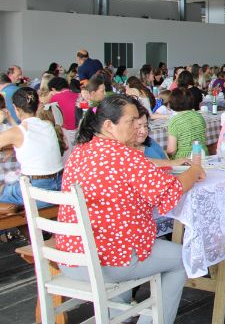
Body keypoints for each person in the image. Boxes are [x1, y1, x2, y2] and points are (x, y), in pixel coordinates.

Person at [56, 94, 204, 324]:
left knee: (121, 238)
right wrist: (194, 170)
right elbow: (169, 190)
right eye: (132, 121)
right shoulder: (124, 155)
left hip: (70, 257)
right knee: (183, 258)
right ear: (108, 125)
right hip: (109, 262)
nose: (137, 127)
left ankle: (118, 316)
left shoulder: (81, 150)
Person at [0, 88, 64, 211]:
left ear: (16, 108)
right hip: (59, 186)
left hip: (36, 192)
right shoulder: (48, 125)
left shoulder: (16, 133)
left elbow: (18, 133)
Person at [166, 88, 206, 159]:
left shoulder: (174, 121)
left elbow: (172, 150)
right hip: (203, 154)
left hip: (184, 159)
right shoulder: (199, 116)